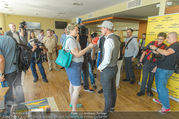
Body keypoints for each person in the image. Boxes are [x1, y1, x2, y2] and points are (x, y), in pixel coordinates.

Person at [64, 23, 94, 118]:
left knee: (72, 84)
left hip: (71, 65)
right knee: (77, 88)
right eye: (76, 30)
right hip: (74, 66)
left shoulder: (68, 38)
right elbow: (77, 54)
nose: (78, 31)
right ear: (71, 30)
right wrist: (88, 47)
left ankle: (73, 104)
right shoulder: (71, 41)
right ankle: (74, 112)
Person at [95, 20, 120, 118]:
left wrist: (99, 68)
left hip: (108, 69)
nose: (101, 30)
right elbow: (117, 55)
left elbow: (106, 60)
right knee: (113, 89)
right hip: (114, 68)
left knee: (107, 92)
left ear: (106, 29)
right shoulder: (116, 38)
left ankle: (105, 114)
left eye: (102, 28)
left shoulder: (108, 40)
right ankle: (112, 107)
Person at [150, 32, 179, 113]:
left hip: (166, 69)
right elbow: (164, 55)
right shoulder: (171, 46)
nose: (167, 39)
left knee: (162, 87)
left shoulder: (176, 45)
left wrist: (155, 48)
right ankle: (161, 99)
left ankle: (166, 107)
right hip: (161, 68)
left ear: (174, 37)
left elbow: (166, 53)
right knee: (159, 86)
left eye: (168, 37)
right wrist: (156, 52)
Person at [0, 35, 25, 116]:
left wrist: (1, 74)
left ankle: (10, 112)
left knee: (8, 93)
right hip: (17, 69)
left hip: (7, 72)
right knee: (18, 87)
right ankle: (22, 106)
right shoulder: (10, 38)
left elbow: (1, 59)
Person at [137, 32, 167, 96]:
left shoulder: (165, 46)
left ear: (164, 39)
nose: (159, 41)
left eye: (161, 39)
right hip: (148, 62)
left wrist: (156, 52)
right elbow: (145, 51)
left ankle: (148, 91)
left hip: (156, 63)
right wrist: (140, 60)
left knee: (151, 78)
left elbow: (163, 57)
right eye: (159, 39)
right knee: (144, 77)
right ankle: (142, 91)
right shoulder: (152, 43)